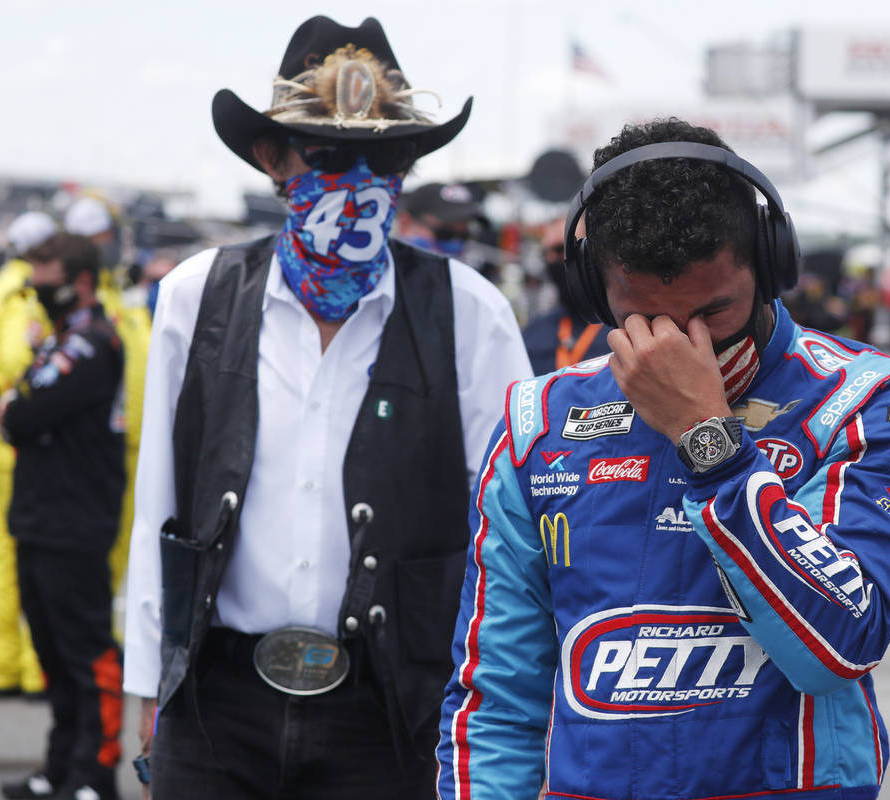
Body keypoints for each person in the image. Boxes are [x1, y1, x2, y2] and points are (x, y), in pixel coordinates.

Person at [438, 118, 890, 799]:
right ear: (597, 292)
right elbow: (497, 703)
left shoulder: (874, 402)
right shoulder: (538, 426)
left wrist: (706, 436)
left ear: (771, 265)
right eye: (644, 317)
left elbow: (839, 643)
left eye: (713, 313)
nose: (684, 348)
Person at [121, 15, 531, 798]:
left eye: (381, 157)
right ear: (274, 160)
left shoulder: (470, 313)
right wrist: (152, 685)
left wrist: (495, 709)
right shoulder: (193, 296)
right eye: (330, 155)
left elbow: (504, 536)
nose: (356, 182)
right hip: (217, 704)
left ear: (407, 167)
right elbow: (159, 507)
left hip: (394, 712)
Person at [0, 232, 126, 800]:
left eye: (43, 276)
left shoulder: (91, 343)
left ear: (77, 280)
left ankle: (95, 776)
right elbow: (14, 407)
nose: (33, 287)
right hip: (37, 518)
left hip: (75, 523)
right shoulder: (60, 340)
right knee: (51, 655)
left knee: (86, 653)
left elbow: (23, 415)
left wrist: (12, 408)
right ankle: (60, 769)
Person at [63, 196, 152, 609]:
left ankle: (93, 653)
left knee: (114, 560)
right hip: (93, 451)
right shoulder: (70, 303)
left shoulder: (120, 297)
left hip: (132, 446)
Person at [0, 212, 52, 701]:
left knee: (5, 551)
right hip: (11, 434)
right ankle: (32, 669)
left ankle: (7, 665)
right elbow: (17, 359)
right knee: (24, 549)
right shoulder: (24, 290)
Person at [521, 216, 611, 374]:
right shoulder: (534, 332)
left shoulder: (625, 326)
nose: (551, 260)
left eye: (560, 249)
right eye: (546, 253)